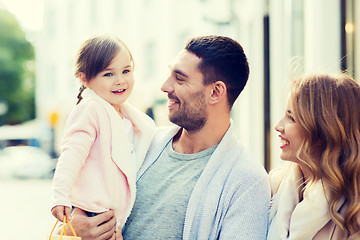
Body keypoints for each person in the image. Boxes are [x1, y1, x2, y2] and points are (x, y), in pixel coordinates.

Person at [68, 35, 270, 240]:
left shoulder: (247, 182)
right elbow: (85, 198)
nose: (165, 86)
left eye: (180, 79)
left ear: (215, 92)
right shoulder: (142, 141)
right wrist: (71, 230)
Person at [50, 35, 155, 233]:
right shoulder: (90, 109)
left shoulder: (127, 116)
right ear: (84, 79)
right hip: (92, 210)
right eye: (108, 74)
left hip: (114, 214)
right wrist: (60, 196)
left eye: (126, 71)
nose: (120, 80)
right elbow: (71, 154)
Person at [268, 73, 360, 239]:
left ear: (322, 132)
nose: (278, 126)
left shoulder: (354, 210)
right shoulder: (272, 187)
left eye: (291, 117)